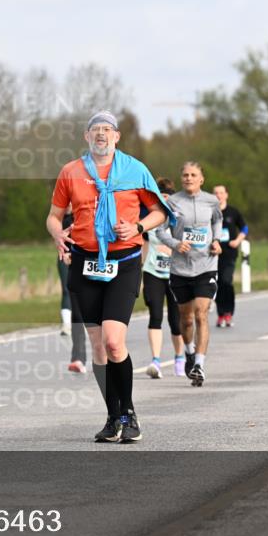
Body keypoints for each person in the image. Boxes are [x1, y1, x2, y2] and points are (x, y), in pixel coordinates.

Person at [47, 111, 172, 443]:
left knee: (116, 343)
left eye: (107, 130)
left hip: (124, 262)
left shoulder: (134, 170)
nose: (100, 135)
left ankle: (128, 413)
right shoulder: (71, 172)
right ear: (86, 137)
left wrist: (138, 226)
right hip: (85, 264)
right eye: (94, 130)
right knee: (99, 349)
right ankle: (112, 416)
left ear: (117, 137)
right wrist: (59, 235)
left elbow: (160, 212)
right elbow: (54, 216)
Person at [156, 161, 223, 387]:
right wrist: (175, 243)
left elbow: (217, 221)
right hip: (180, 268)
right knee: (185, 319)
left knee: (201, 314)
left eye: (193, 175)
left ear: (201, 179)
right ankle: (189, 352)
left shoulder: (211, 201)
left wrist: (216, 240)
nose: (188, 178)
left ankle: (199, 365)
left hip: (206, 265)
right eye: (185, 175)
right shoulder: (173, 202)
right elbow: (160, 230)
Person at [141, 177, 186, 378]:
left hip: (176, 273)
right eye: (161, 197)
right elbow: (142, 245)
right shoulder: (149, 218)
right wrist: (139, 273)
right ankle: (156, 361)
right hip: (152, 272)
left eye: (168, 197)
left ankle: (179, 358)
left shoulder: (180, 219)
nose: (165, 200)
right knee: (155, 315)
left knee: (176, 321)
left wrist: (174, 249)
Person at [56, 206, 87, 373]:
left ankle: (107, 353)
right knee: (78, 313)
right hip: (75, 266)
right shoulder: (68, 220)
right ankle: (78, 358)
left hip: (99, 266)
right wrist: (67, 253)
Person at [212, 185, 248, 328]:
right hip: (214, 254)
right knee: (217, 283)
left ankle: (228, 312)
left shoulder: (233, 212)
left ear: (226, 195)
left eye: (221, 193)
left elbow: (244, 227)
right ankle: (221, 314)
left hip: (229, 253)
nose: (219, 195)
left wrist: (238, 240)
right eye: (216, 193)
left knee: (227, 281)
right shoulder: (210, 212)